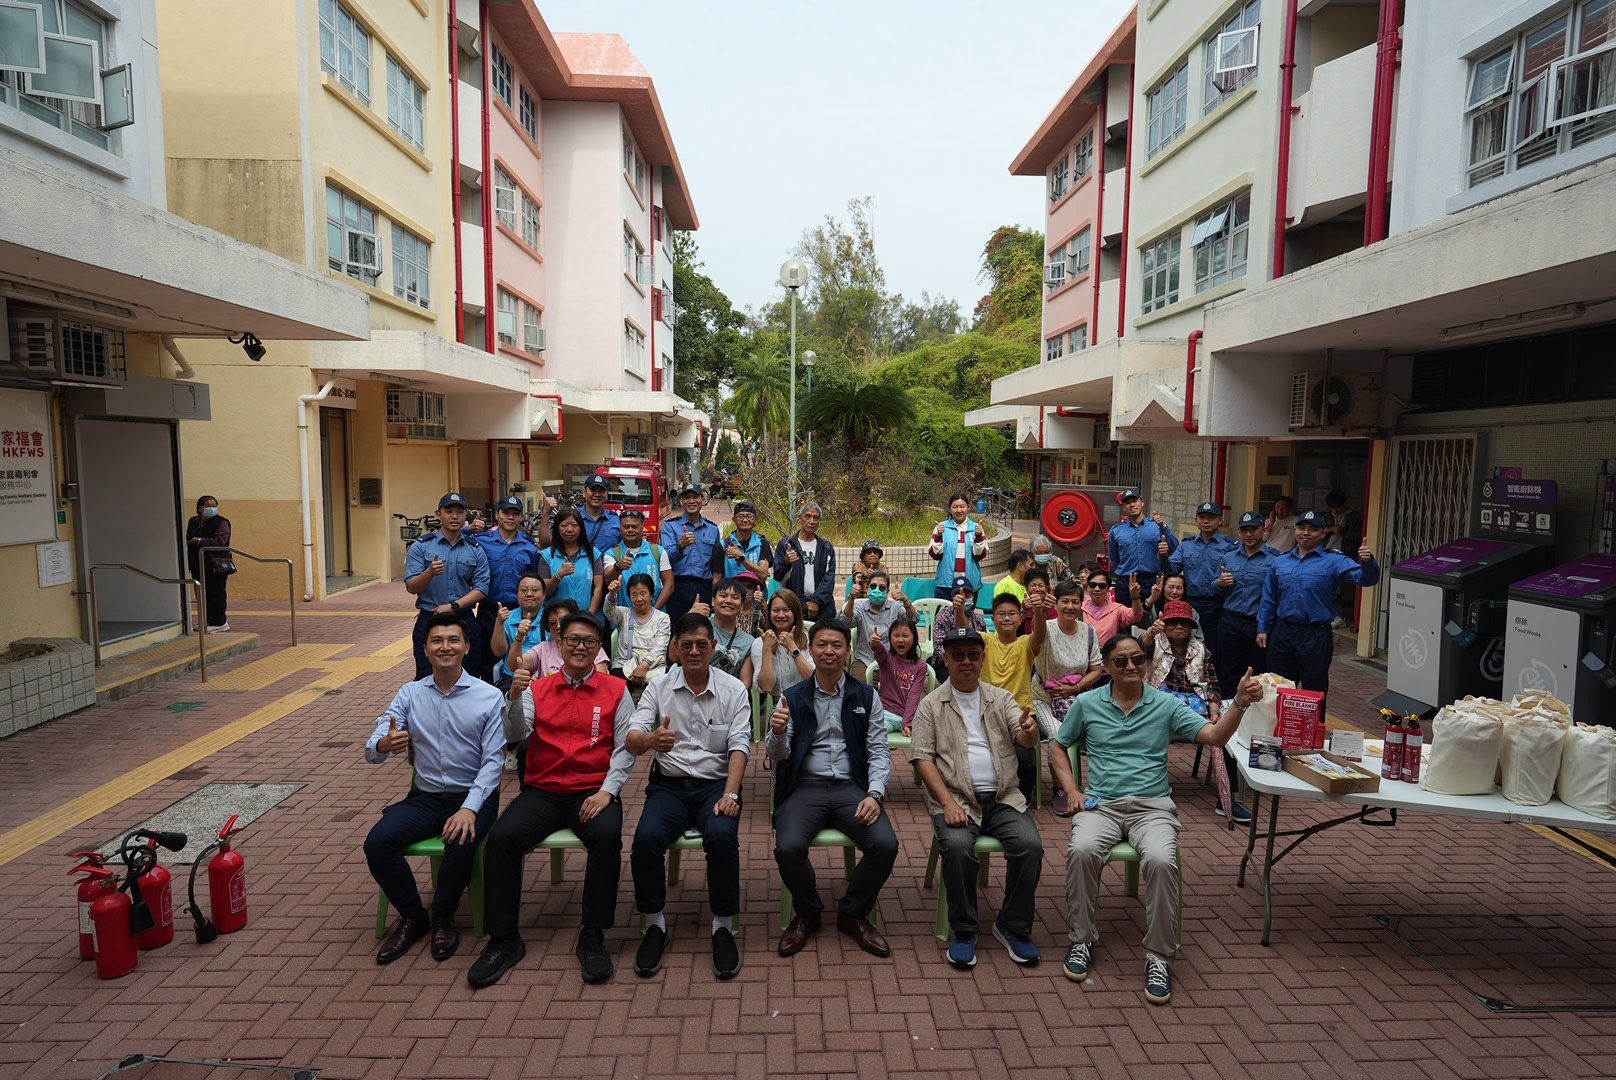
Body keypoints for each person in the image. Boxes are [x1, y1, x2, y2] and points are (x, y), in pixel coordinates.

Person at [1050, 635, 1265, 1005]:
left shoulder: (1165, 704)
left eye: (1138, 659)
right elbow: (1057, 746)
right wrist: (1071, 789)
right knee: (1082, 851)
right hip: (1102, 805)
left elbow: (1214, 736)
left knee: (1163, 861)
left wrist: (1241, 704)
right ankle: (1081, 939)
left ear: (1146, 662)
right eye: (1121, 661)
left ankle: (1159, 956)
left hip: (1152, 807)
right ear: (1107, 666)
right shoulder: (1087, 703)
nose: (1131, 666)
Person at [467, 611, 635, 987]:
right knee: (502, 838)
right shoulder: (537, 688)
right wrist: (513, 697)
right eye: (573, 639)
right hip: (543, 790)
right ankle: (504, 939)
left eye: (589, 641)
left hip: (591, 790)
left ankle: (593, 934)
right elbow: (514, 734)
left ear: (599, 648)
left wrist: (608, 791)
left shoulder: (615, 690)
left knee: (607, 836)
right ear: (559, 643)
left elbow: (625, 748)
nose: (580, 647)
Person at [365, 612, 504, 965]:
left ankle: (444, 915)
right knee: (378, 842)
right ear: (425, 648)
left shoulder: (489, 696)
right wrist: (383, 744)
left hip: (473, 795)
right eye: (437, 641)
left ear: (467, 647)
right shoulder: (410, 693)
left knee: (460, 840)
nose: (445, 647)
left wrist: (469, 808)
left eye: (453, 640)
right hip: (425, 797)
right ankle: (414, 916)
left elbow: (493, 763)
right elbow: (378, 738)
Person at [625, 614, 752, 980]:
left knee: (722, 836)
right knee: (646, 839)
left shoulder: (733, 689)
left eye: (701, 644)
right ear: (675, 649)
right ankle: (654, 924)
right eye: (686, 645)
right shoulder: (659, 687)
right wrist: (651, 740)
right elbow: (632, 738)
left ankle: (723, 926)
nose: (694, 651)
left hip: (716, 785)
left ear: (713, 647)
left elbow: (740, 745)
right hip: (670, 786)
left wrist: (732, 793)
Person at [909, 627, 1044, 971]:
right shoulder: (930, 705)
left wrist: (1029, 732)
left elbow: (1023, 737)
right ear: (946, 659)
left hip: (1003, 797)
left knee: (1029, 846)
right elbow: (922, 758)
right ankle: (965, 929)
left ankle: (1012, 925)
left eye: (973, 654)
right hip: (956, 798)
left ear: (983, 658)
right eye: (958, 655)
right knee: (957, 848)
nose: (966, 661)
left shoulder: (1001, 698)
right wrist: (948, 803)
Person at [768, 619, 899, 959]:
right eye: (822, 644)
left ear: (848, 651)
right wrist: (777, 733)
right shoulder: (792, 696)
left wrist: (875, 794)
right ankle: (808, 913)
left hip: (851, 788)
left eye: (837, 645)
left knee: (885, 844)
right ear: (810, 649)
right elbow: (777, 755)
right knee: (788, 847)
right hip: (805, 788)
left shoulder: (865, 695)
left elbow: (879, 750)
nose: (829, 651)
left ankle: (853, 913)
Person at [1142, 600, 1246, 822]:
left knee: (1224, 734)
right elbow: (1141, 648)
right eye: (1173, 622)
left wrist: (1215, 710)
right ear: (1164, 624)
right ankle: (1151, 790)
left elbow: (1212, 684)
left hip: (1194, 705)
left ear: (1191, 627)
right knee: (1146, 733)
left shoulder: (1201, 650)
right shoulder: (1155, 642)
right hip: (1158, 702)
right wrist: (1151, 632)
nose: (1179, 626)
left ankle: (1228, 799)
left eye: (1184, 623)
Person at [1258, 511, 1380, 697]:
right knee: (1278, 688)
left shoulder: (1335, 560)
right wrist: (1262, 628)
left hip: (1316, 635)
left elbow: (1365, 579)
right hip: (1283, 633)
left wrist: (1368, 561)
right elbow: (1269, 598)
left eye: (1313, 529)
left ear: (1323, 533)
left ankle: (1313, 718)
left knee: (1314, 690)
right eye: (1302, 528)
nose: (1306, 533)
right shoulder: (1280, 561)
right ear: (1295, 530)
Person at [1033, 580, 1104, 808]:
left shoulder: (1089, 632)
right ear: (1056, 603)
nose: (1070, 607)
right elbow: (1037, 636)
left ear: (1082, 604)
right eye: (1065, 601)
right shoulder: (1046, 628)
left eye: (1075, 602)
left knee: (1104, 733)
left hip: (1076, 699)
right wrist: (1039, 611)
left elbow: (1096, 670)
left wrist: (1075, 688)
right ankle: (1062, 790)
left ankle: (1103, 786)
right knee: (1057, 734)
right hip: (1044, 698)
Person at [405, 492, 490, 680]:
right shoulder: (421, 546)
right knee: (427, 676)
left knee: (470, 676)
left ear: (465, 515)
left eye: (460, 512)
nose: (454, 516)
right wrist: (429, 573)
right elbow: (412, 587)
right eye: (449, 511)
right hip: (429, 618)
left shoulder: (475, 549)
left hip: (464, 618)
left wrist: (453, 606)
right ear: (438, 514)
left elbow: (482, 588)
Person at [474, 495, 550, 681]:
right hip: (489, 611)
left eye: (515, 514)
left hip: (517, 611)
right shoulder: (481, 541)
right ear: (497, 515)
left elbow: (533, 579)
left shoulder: (529, 547)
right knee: (487, 661)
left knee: (518, 657)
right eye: (506, 512)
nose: (510, 517)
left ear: (521, 517)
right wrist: (468, 529)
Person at [985, 592, 1047, 804]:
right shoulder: (985, 641)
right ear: (993, 618)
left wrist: (1038, 611)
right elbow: (965, 635)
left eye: (1012, 614)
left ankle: (1023, 800)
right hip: (988, 711)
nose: (1006, 618)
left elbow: (1039, 635)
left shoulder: (1025, 643)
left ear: (1021, 618)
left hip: (1021, 713)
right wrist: (958, 610)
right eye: (1001, 614)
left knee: (1023, 760)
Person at [1215, 512, 1275, 702]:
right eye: (1244, 530)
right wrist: (1220, 583)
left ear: (1263, 530)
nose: (1249, 534)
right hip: (1230, 621)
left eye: (1253, 529)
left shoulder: (1274, 559)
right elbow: (1215, 587)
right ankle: (1227, 711)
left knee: (1257, 671)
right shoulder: (1229, 557)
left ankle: (1254, 713)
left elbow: (1275, 595)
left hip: (1256, 624)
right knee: (1228, 668)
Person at [1166, 501, 1237, 650]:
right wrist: (1163, 555)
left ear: (1220, 520)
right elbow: (1172, 569)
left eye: (1211, 517)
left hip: (1218, 605)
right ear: (1196, 520)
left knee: (1215, 648)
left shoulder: (1230, 546)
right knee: (1189, 646)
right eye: (1202, 517)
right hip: (1192, 604)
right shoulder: (1187, 545)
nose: (1206, 521)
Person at [603, 573, 671, 701]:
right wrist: (612, 595)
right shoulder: (623, 614)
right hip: (623, 665)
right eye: (634, 595)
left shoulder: (662, 618)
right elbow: (609, 611)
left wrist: (643, 666)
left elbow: (660, 647)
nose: (638, 598)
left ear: (651, 595)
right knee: (616, 696)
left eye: (643, 593)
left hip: (652, 667)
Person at [661, 482, 722, 623]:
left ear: (702, 500)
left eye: (695, 497)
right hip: (677, 587)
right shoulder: (670, 526)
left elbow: (716, 564)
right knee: (676, 627)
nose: (691, 501)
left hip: (704, 587)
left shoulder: (713, 529)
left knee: (701, 627)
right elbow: (665, 559)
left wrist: (715, 592)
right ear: (681, 501)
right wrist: (680, 546)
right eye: (687, 498)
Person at [843, 571, 915, 683]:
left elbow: (914, 620)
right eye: (873, 586)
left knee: (900, 687)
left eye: (882, 588)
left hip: (891, 659)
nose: (877, 590)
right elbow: (845, 623)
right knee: (857, 688)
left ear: (887, 591)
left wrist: (905, 600)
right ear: (867, 588)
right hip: (864, 660)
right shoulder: (859, 606)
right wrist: (851, 598)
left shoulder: (895, 607)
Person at [1107, 488, 1177, 601]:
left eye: (1135, 501)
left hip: (1151, 581)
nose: (1132, 505)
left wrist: (1163, 526)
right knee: (1124, 612)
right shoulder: (1116, 531)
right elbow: (1114, 558)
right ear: (1124, 507)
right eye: (1128, 503)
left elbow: (1175, 547)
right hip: (1126, 582)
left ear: (1142, 503)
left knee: (1151, 612)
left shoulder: (1156, 526)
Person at [773, 502, 836, 620]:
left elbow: (829, 577)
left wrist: (816, 601)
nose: (811, 521)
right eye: (807, 516)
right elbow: (778, 576)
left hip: (822, 608)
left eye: (816, 518)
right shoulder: (786, 544)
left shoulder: (826, 547)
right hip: (794, 605)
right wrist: (786, 562)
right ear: (800, 518)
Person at [603, 508, 673, 611]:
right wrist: (618, 567)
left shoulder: (658, 551)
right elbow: (608, 580)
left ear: (642, 527)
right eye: (626, 527)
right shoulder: (612, 554)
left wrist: (653, 613)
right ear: (620, 528)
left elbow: (669, 584)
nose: (630, 530)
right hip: (625, 616)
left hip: (656, 616)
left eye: (634, 527)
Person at [754, 588, 815, 704]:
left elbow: (813, 679)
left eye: (786, 610)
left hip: (807, 702)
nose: (781, 615)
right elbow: (766, 687)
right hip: (778, 705)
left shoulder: (809, 639)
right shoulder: (760, 643)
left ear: (795, 613)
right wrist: (767, 648)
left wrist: (792, 648)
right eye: (775, 610)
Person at [870, 618, 929, 734]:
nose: (900, 640)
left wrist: (907, 723)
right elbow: (880, 652)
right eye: (896, 635)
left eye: (905, 636)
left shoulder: (921, 666)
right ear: (890, 638)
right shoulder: (887, 658)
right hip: (884, 714)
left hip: (908, 717)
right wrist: (875, 645)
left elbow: (914, 696)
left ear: (914, 638)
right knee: (871, 732)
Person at [522, 600, 609, 678]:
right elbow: (518, 663)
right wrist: (519, 637)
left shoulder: (591, 646)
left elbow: (600, 679)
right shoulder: (543, 648)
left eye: (563, 621)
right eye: (552, 623)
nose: (558, 626)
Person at [490, 572, 547, 689]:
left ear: (544, 595)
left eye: (535, 590)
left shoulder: (551, 618)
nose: (529, 594)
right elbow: (498, 651)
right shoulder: (507, 617)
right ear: (517, 594)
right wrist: (499, 622)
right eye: (524, 590)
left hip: (543, 677)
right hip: (512, 677)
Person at [185, 495, 233, 633]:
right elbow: (188, 538)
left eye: (214, 506)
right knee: (202, 593)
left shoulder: (222, 522)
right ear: (200, 508)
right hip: (197, 562)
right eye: (208, 506)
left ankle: (220, 622)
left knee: (216, 593)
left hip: (216, 564)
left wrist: (200, 541)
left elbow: (220, 541)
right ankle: (208, 621)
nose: (212, 508)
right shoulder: (193, 521)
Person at [543, 508, 603, 615]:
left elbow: (598, 588)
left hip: (586, 616)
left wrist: (589, 615)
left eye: (574, 525)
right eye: (564, 525)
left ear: (581, 528)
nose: (570, 529)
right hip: (556, 619)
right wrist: (558, 575)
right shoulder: (546, 556)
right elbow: (544, 593)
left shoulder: (593, 553)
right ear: (557, 528)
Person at [929, 495, 988, 599]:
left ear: (968, 507)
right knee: (944, 610)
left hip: (969, 584)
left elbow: (980, 556)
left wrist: (978, 536)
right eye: (955, 507)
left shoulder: (976, 528)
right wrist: (938, 536)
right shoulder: (941, 527)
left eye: (962, 506)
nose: (959, 510)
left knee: (967, 610)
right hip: (946, 584)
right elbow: (935, 555)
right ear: (949, 509)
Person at [702, 577, 756, 688]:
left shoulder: (748, 642)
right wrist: (689, 617)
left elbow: (745, 684)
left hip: (729, 695)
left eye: (735, 597)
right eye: (723, 596)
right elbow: (674, 656)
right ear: (713, 600)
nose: (728, 601)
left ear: (742, 605)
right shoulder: (699, 626)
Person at [930, 575, 987, 679]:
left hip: (972, 661)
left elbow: (981, 645)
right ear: (953, 597)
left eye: (967, 595)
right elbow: (939, 647)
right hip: (946, 663)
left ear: (973, 596)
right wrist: (956, 662)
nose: (963, 599)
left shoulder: (978, 619)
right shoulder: (942, 616)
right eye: (959, 596)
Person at [1323, 489, 1365, 629]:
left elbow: (1360, 536)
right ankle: (1331, 614)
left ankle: (1338, 615)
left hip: (1345, 554)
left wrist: (1344, 530)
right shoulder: (1328, 515)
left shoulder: (1356, 516)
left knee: (1338, 586)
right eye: (1333, 508)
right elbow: (1319, 533)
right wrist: (1330, 529)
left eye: (1338, 507)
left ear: (1346, 503)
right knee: (1327, 584)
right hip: (1327, 553)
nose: (1336, 510)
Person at [1080, 569, 1145, 644]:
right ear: (1087, 588)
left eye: (1102, 586)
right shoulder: (1079, 607)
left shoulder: (1116, 609)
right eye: (1092, 585)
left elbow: (1136, 615)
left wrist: (1135, 597)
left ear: (1108, 589)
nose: (1097, 589)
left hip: (1107, 651)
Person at [715, 500, 771, 583]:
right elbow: (716, 580)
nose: (745, 520)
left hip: (755, 591)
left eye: (749, 516)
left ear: (755, 520)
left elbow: (763, 575)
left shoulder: (762, 543)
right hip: (732, 590)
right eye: (740, 517)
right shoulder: (723, 545)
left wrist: (741, 557)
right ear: (734, 520)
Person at [1145, 572, 1202, 638]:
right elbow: (1140, 623)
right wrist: (1152, 598)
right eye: (1171, 587)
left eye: (1179, 588)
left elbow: (1199, 638)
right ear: (1163, 588)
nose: (1174, 592)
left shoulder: (1190, 611)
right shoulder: (1153, 607)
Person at [578, 474, 622, 553]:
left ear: (607, 495)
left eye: (601, 491)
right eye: (593, 490)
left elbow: (623, 548)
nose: (597, 494)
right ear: (584, 492)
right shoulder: (573, 518)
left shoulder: (616, 520)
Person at [1019, 567, 1057, 637]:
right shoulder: (1023, 608)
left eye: (1041, 586)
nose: (1037, 589)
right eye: (1032, 586)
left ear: (1047, 588)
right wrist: (1024, 611)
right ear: (1026, 589)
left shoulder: (1053, 610)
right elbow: (1017, 634)